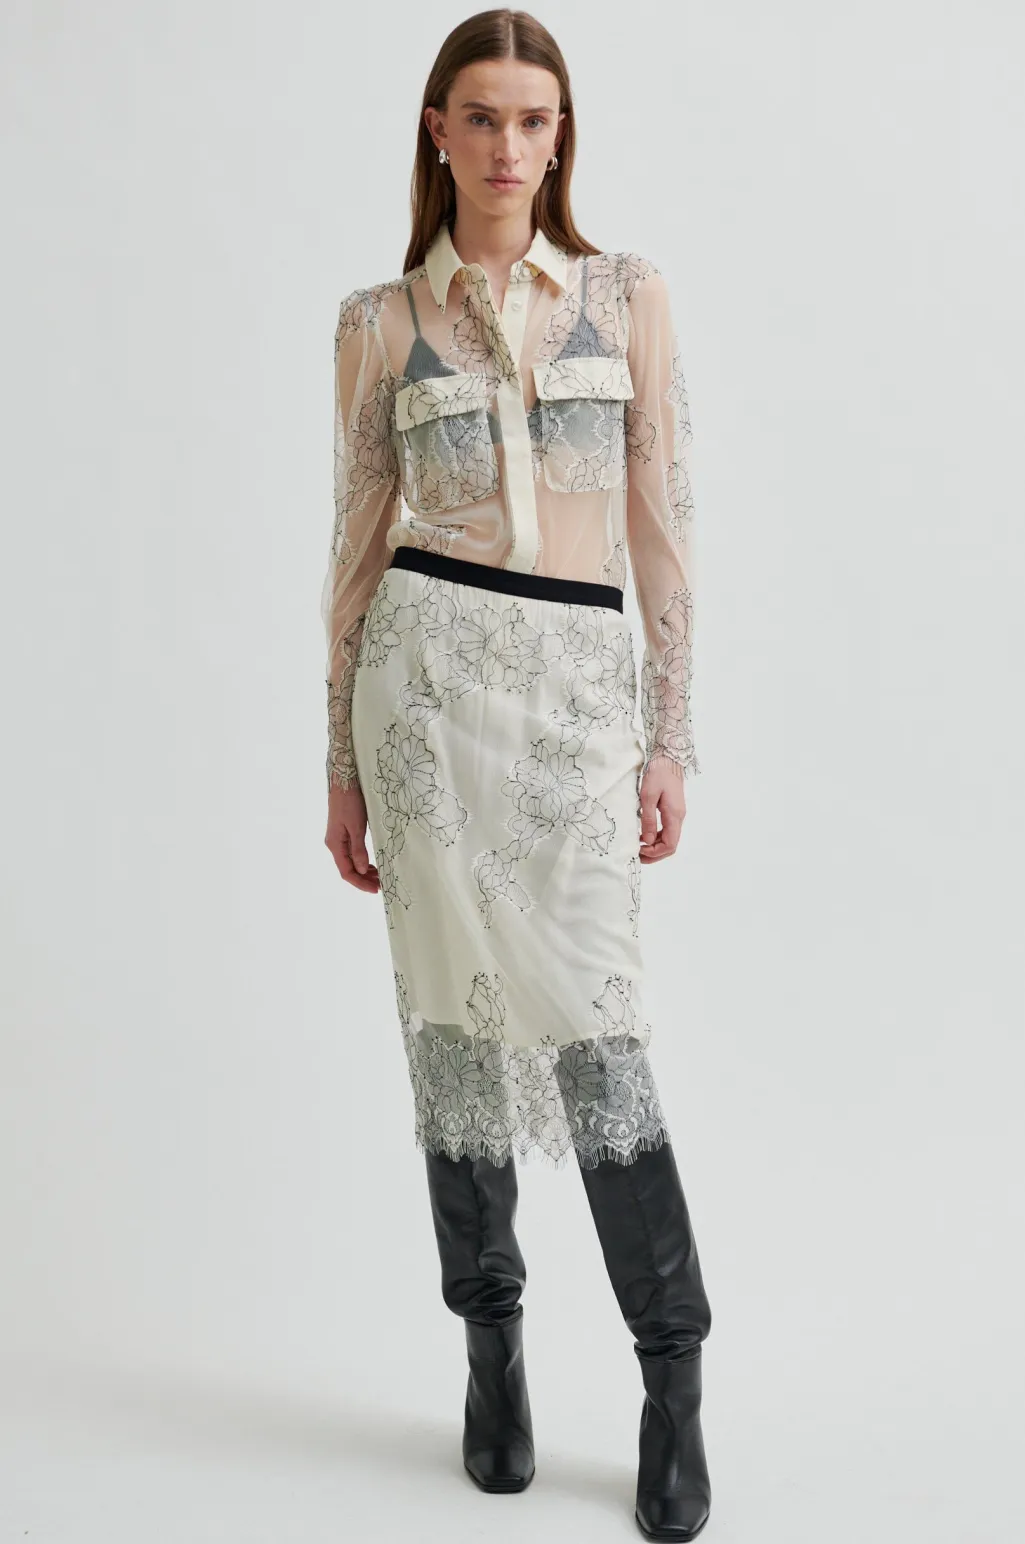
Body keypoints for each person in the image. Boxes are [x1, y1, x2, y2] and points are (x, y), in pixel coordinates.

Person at [321, 10, 712, 1539]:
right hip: (421, 705)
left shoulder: (626, 298)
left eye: (532, 120)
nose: (506, 147)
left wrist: (670, 737)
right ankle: (492, 1355)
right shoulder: (377, 322)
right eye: (479, 117)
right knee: (454, 1047)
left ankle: (673, 1381)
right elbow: (354, 555)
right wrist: (338, 762)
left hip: (571, 713)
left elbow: (664, 533)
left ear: (562, 138)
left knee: (604, 1045)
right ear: (439, 131)